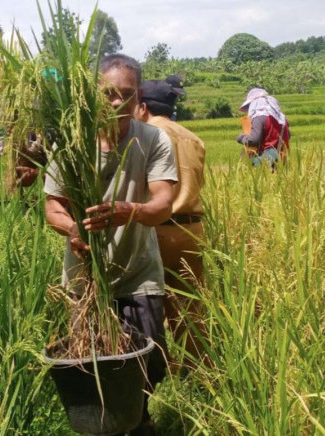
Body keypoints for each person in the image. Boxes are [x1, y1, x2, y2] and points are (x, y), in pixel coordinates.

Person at [43, 54, 178, 435]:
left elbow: (162, 204)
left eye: (126, 94)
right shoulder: (73, 143)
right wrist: (72, 230)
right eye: (107, 94)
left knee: (147, 361)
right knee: (92, 363)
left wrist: (128, 211)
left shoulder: (152, 139)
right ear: (91, 96)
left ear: (139, 100)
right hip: (86, 279)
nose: (116, 102)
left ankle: (140, 420)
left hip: (138, 272)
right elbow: (53, 208)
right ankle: (105, 424)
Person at [134, 79, 207, 366]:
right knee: (190, 309)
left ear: (142, 107)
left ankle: (153, 370)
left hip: (156, 231)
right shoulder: (193, 138)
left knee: (147, 304)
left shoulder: (144, 135)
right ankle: (196, 372)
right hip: (192, 230)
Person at [236, 88, 290, 168]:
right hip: (282, 159)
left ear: (255, 104)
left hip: (267, 161)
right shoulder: (282, 118)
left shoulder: (259, 117)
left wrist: (241, 137)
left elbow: (253, 140)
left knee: (244, 158)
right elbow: (288, 135)